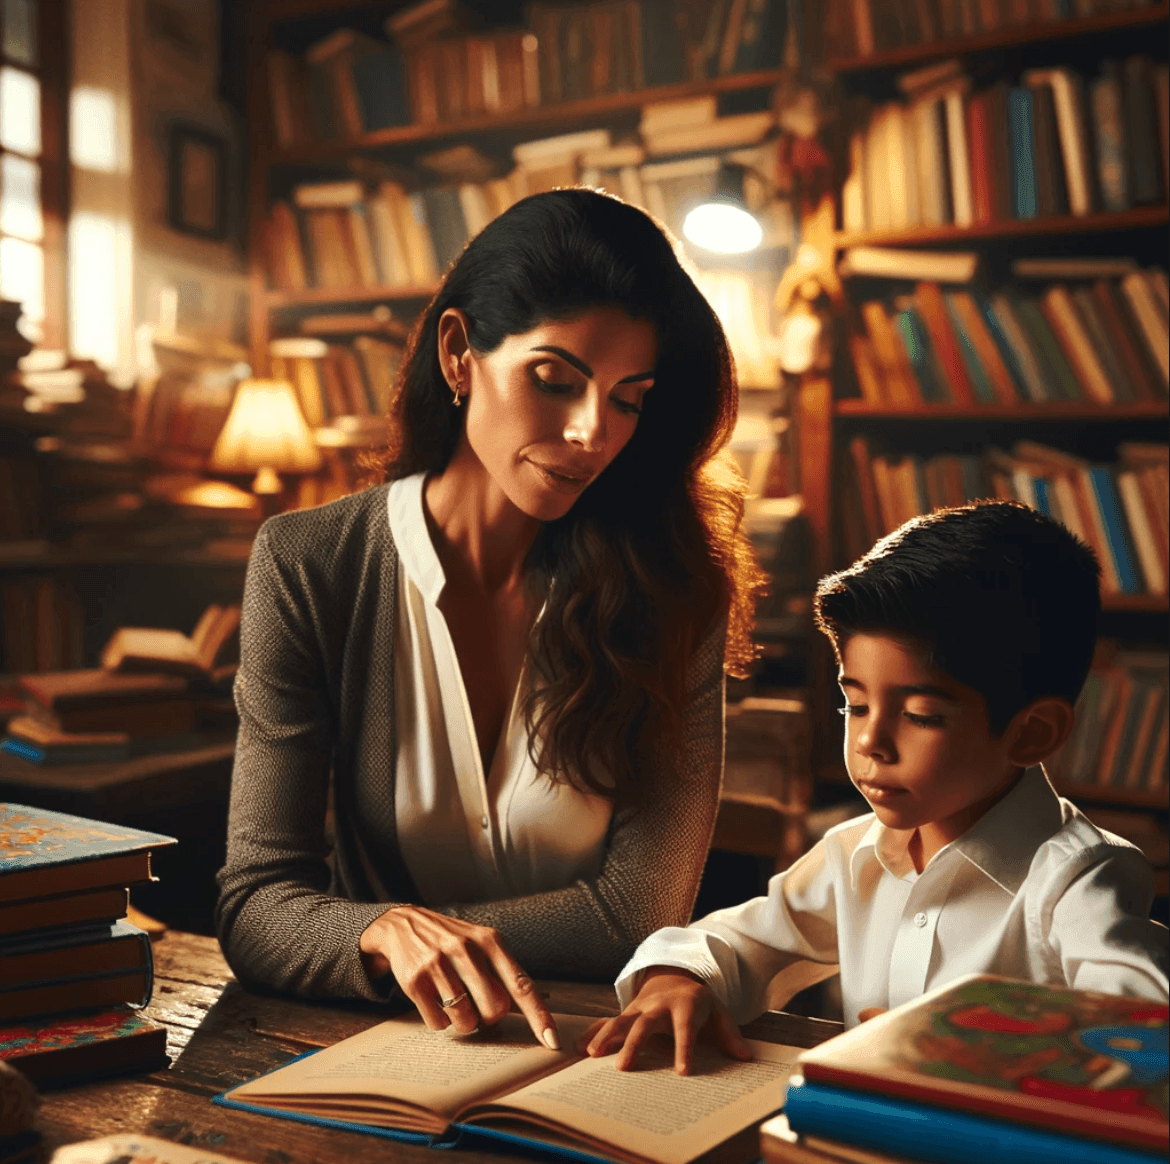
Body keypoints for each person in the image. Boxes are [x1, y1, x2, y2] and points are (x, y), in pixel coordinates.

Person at [214, 188, 765, 1050]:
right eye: (555, 380)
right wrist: (380, 935)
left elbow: (637, 913)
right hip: (383, 1049)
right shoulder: (309, 562)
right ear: (459, 353)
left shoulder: (676, 587)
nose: (592, 432)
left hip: (599, 1053)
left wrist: (371, 924)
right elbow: (254, 905)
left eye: (629, 398)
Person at [584, 500, 1169, 1074]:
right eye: (855, 704)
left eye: (919, 715)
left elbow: (1141, 1033)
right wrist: (678, 977)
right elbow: (742, 940)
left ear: (1033, 733)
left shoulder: (1076, 880)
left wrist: (957, 1049)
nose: (871, 742)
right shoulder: (852, 854)